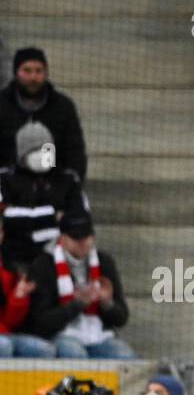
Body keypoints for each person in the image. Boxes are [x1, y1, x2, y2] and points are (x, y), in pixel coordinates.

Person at [22, 211, 133, 359]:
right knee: (74, 354)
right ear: (62, 238)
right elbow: (40, 323)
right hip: (61, 334)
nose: (83, 242)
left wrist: (107, 303)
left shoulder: (105, 262)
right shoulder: (44, 265)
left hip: (99, 334)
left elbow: (122, 318)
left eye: (86, 236)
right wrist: (77, 304)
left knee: (123, 355)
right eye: (76, 237)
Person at [0, 121, 86, 270]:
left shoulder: (68, 179)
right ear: (22, 153)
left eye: (46, 150)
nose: (42, 156)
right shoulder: (6, 179)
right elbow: (7, 217)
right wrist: (52, 215)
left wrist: (29, 219)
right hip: (15, 259)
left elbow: (78, 217)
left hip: (58, 259)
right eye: (35, 151)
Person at [0, 47, 87, 179]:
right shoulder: (2, 104)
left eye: (38, 71)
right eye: (27, 71)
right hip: (7, 183)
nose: (33, 77)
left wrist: (71, 180)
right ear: (16, 72)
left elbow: (74, 150)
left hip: (53, 183)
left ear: (45, 73)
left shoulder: (63, 106)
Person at [0, 237, 54, 357]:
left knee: (45, 350)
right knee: (3, 347)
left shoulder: (9, 269)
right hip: (3, 342)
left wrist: (18, 297)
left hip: (5, 334)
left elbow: (10, 322)